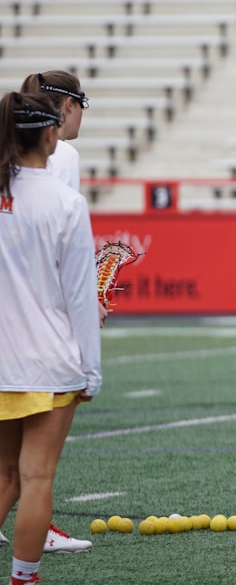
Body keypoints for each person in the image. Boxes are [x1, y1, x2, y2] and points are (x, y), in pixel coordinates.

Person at [0, 92, 101, 585]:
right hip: (47, 363)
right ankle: (24, 578)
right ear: (48, 133)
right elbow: (80, 297)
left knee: (3, 477)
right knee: (36, 478)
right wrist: (92, 371)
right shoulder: (65, 201)